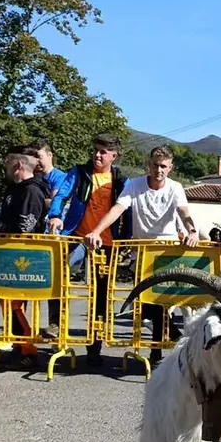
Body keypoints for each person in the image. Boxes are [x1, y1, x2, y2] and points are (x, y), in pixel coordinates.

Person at [85, 145, 198, 366]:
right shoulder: (135, 185)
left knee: (159, 304)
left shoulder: (175, 188)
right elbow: (117, 209)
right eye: (155, 165)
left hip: (166, 252)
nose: (159, 170)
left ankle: (158, 354)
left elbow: (184, 212)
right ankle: (174, 342)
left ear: (170, 168)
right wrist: (97, 231)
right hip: (142, 253)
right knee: (147, 304)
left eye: (164, 166)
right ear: (149, 165)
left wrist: (192, 230)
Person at [47, 134, 128, 366]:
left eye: (103, 152)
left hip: (107, 244)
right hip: (77, 237)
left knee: (100, 297)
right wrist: (55, 216)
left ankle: (94, 348)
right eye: (95, 150)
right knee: (58, 281)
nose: (97, 155)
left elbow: (129, 211)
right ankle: (56, 330)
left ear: (114, 155)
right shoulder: (79, 173)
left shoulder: (121, 180)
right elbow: (62, 195)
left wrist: (126, 239)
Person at [0, 146, 49, 367]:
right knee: (9, 304)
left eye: (8, 162)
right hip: (7, 255)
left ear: (17, 165)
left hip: (23, 256)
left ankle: (28, 350)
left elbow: (25, 225)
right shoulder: (13, 189)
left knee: (16, 306)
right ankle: (19, 345)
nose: (4, 166)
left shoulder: (31, 190)